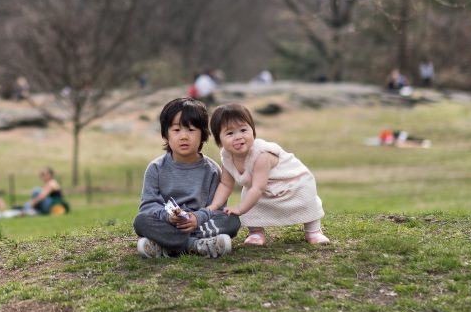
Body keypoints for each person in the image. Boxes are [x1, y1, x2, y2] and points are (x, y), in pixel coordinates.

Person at [207, 103, 329, 246]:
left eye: (243, 130)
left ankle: (313, 230)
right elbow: (226, 184)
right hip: (261, 189)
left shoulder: (261, 155)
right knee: (248, 196)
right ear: (219, 140)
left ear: (253, 130)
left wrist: (240, 209)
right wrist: (213, 206)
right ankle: (255, 232)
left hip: (292, 184)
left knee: (305, 201)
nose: (238, 137)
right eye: (230, 133)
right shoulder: (227, 158)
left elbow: (258, 187)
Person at [133, 97, 240, 259]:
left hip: (199, 223)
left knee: (232, 220)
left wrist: (197, 218)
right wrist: (169, 217)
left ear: (203, 135)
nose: (184, 136)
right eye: (176, 130)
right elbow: (148, 206)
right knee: (141, 221)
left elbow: (216, 208)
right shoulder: (156, 168)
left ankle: (165, 246)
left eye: (191, 130)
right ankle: (196, 245)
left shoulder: (212, 170)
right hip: (168, 223)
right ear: (165, 135)